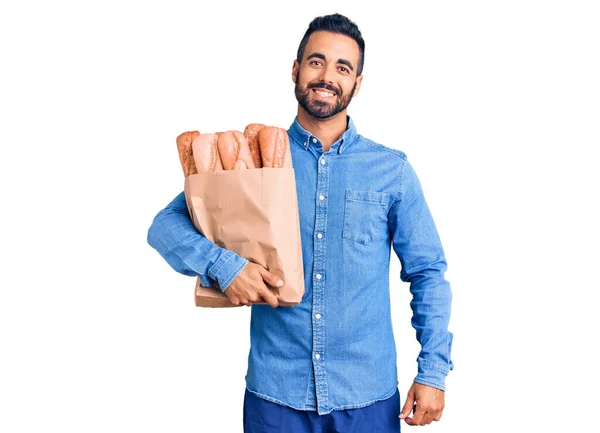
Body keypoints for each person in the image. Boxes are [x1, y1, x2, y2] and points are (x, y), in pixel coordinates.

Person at [147, 13, 454, 432]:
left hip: (366, 400)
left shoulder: (391, 171)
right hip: (276, 399)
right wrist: (224, 266)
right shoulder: (252, 160)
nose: (327, 76)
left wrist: (432, 372)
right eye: (316, 61)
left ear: (357, 83)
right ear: (295, 69)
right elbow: (164, 226)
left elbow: (428, 272)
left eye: (342, 67)